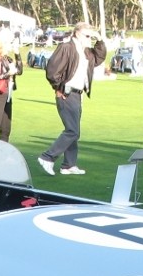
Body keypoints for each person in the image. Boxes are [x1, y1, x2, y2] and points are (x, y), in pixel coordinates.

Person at [37, 22, 107, 176]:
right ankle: (47, 157)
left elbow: (99, 57)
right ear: (77, 33)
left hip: (77, 94)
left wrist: (100, 39)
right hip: (66, 93)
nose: (90, 39)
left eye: (91, 36)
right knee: (72, 131)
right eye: (87, 36)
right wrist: (58, 88)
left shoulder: (86, 52)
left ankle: (68, 165)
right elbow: (52, 70)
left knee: (74, 131)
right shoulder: (66, 48)